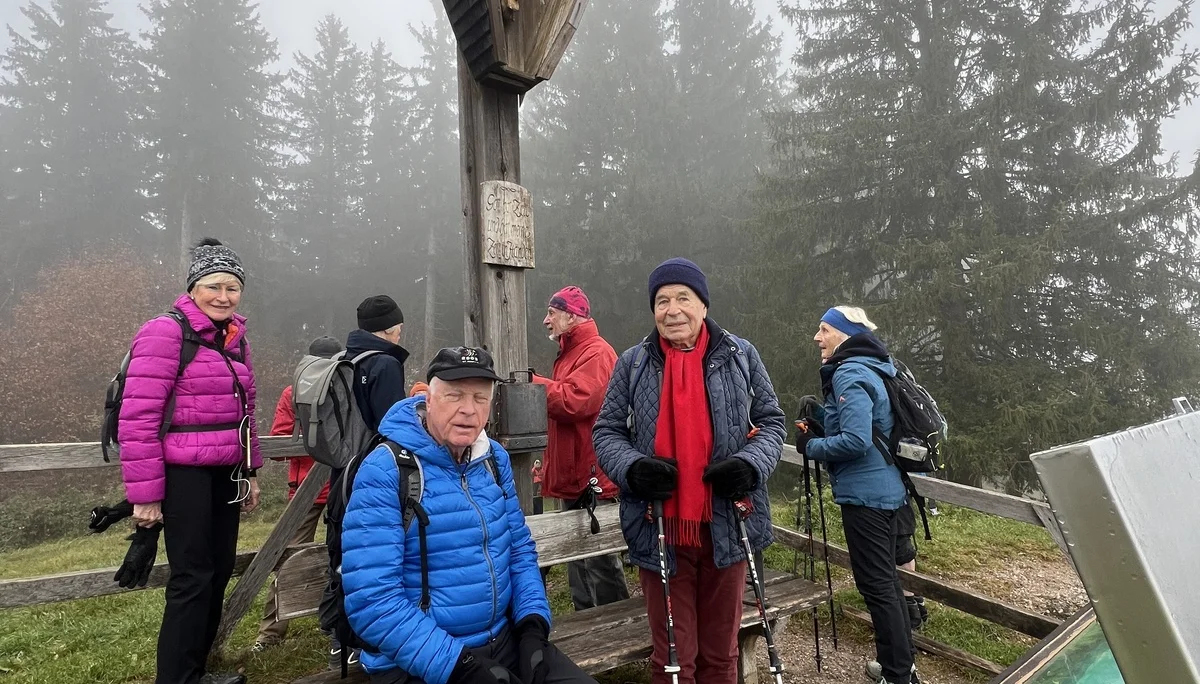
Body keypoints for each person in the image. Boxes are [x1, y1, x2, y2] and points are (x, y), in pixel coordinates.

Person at [340, 347, 598, 684]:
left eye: (480, 398)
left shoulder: (493, 460)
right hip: (418, 657)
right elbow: (373, 601)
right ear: (428, 400)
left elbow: (518, 550)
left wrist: (532, 625)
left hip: (503, 640)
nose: (467, 410)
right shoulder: (387, 469)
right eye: (454, 396)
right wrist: (458, 667)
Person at [593, 258, 786, 684]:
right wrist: (633, 468)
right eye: (662, 301)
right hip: (658, 525)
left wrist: (749, 465)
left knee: (721, 654)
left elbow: (773, 422)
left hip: (728, 523)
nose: (672, 309)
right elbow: (605, 430)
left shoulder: (741, 355)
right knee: (674, 659)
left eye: (683, 297)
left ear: (703, 306)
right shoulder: (634, 362)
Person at [119, 237, 261, 684]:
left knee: (217, 571)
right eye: (214, 286)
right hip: (183, 472)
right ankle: (177, 678)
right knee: (192, 576)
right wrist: (146, 498)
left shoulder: (235, 336)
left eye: (233, 288)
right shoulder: (164, 332)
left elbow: (247, 409)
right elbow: (139, 416)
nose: (224, 296)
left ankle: (196, 670)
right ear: (194, 287)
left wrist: (251, 471)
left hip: (225, 471)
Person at [794, 306, 918, 684]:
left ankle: (898, 676)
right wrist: (823, 425)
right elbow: (868, 426)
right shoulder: (878, 367)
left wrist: (810, 443)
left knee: (876, 585)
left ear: (844, 335)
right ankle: (899, 665)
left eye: (824, 329)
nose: (817, 337)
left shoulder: (849, 372)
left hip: (866, 497)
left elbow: (856, 440)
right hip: (890, 489)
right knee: (887, 582)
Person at [532, 285, 630, 611]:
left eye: (552, 313)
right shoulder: (570, 352)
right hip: (575, 475)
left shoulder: (597, 352)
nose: (546, 320)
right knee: (575, 556)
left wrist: (531, 385)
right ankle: (587, 622)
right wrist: (547, 465)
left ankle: (616, 624)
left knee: (599, 560)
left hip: (592, 476)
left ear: (572, 316)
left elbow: (575, 401)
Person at [253, 335, 343, 652]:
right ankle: (271, 635)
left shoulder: (347, 391)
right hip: (306, 489)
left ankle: (338, 625)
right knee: (286, 559)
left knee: (346, 558)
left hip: (342, 488)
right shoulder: (293, 394)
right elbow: (279, 445)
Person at [346, 294, 410, 431]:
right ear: (388, 328)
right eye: (400, 326)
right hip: (375, 449)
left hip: (347, 447)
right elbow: (393, 423)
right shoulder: (386, 365)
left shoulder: (346, 358)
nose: (400, 332)